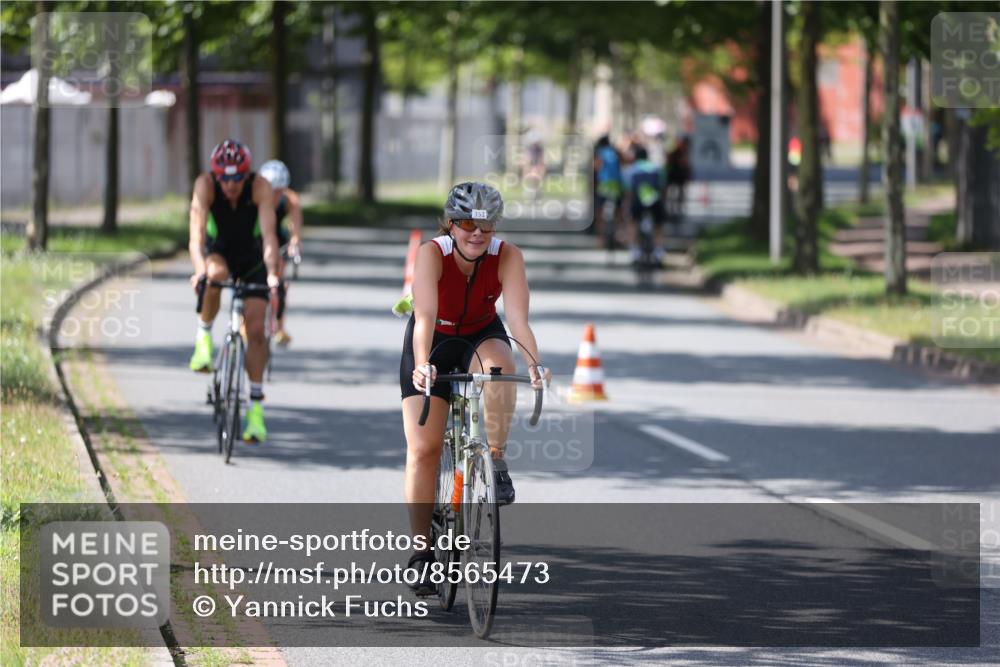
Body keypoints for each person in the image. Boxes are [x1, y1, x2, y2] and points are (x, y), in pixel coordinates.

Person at [400, 182, 549, 594]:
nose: (477, 234)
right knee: (424, 449)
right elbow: (424, 317)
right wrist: (423, 364)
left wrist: (535, 363)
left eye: (486, 225)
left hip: (481, 334)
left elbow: (518, 320)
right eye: (468, 224)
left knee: (500, 367)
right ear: (451, 224)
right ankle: (421, 553)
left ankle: (496, 460)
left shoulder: (508, 256)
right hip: (434, 339)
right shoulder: (432, 253)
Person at [188, 139, 281, 444]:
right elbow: (196, 238)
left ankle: (255, 411)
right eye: (225, 179)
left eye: (238, 178)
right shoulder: (205, 186)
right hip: (219, 252)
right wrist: (200, 271)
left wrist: (272, 273)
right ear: (216, 176)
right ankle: (203, 339)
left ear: (247, 174)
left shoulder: (260, 187)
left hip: (252, 258)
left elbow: (269, 237)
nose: (231, 185)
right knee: (215, 276)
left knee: (255, 330)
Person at [258, 159, 303, 346]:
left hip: (279, 237)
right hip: (258, 235)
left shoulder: (290, 199)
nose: (275, 195)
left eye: (279, 191)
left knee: (279, 283)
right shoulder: (255, 196)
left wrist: (294, 243)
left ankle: (280, 326)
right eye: (271, 190)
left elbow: (295, 227)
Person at [622, 145, 667, 263]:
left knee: (633, 223)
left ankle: (635, 251)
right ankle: (659, 252)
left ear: (635, 157)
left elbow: (629, 191)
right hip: (655, 200)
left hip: (638, 201)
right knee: (658, 226)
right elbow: (662, 188)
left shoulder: (630, 170)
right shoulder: (657, 168)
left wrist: (627, 207)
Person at [593, 135, 624, 249]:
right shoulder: (616, 152)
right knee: (619, 211)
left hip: (604, 184)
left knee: (599, 211)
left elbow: (596, 167)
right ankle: (620, 236)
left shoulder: (599, 152)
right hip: (616, 184)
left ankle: (600, 239)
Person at [665, 135, 692, 220]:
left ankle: (677, 210)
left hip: (679, 174)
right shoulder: (674, 150)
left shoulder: (685, 151)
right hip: (673, 174)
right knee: (672, 193)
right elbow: (668, 160)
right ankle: (672, 210)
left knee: (680, 193)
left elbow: (687, 164)